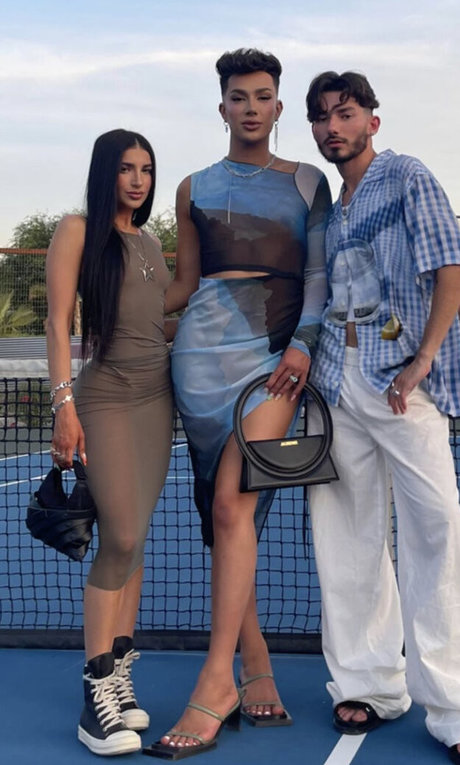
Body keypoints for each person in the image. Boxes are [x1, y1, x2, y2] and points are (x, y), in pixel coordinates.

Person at [143, 48, 331, 760]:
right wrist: (122, 314)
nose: (251, 107)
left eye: (263, 96)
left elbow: (317, 278)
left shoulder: (309, 181)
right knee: (227, 519)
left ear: (279, 106)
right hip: (199, 358)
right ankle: (254, 659)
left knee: (233, 505)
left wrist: (302, 346)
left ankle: (215, 680)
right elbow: (186, 285)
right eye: (238, 96)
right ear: (221, 106)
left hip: (276, 361)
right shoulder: (192, 187)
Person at [305, 71, 460, 762]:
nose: (332, 126)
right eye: (321, 117)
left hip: (400, 384)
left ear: (372, 119)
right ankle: (369, 684)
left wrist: (424, 357)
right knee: (346, 537)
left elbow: (450, 268)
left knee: (437, 529)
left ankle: (451, 705)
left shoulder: (407, 176)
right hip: (338, 385)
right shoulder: (332, 207)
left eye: (345, 113)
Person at [46, 129, 173, 756]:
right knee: (119, 536)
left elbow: (158, 319)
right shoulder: (77, 230)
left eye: (146, 169)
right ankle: (95, 693)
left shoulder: (150, 242)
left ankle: (121, 680)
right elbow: (57, 321)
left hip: (159, 401)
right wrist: (63, 405)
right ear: (106, 173)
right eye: (126, 168)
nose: (138, 180)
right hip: (107, 397)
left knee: (136, 539)